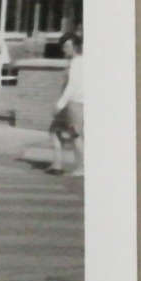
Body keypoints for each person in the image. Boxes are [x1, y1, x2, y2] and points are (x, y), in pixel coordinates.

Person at [48, 32, 85, 175]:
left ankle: (80, 168)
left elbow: (72, 86)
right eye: (64, 47)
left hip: (74, 104)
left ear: (75, 47)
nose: (64, 50)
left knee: (75, 135)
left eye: (67, 46)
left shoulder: (77, 63)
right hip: (75, 104)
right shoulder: (80, 62)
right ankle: (57, 165)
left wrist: (60, 104)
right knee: (56, 131)